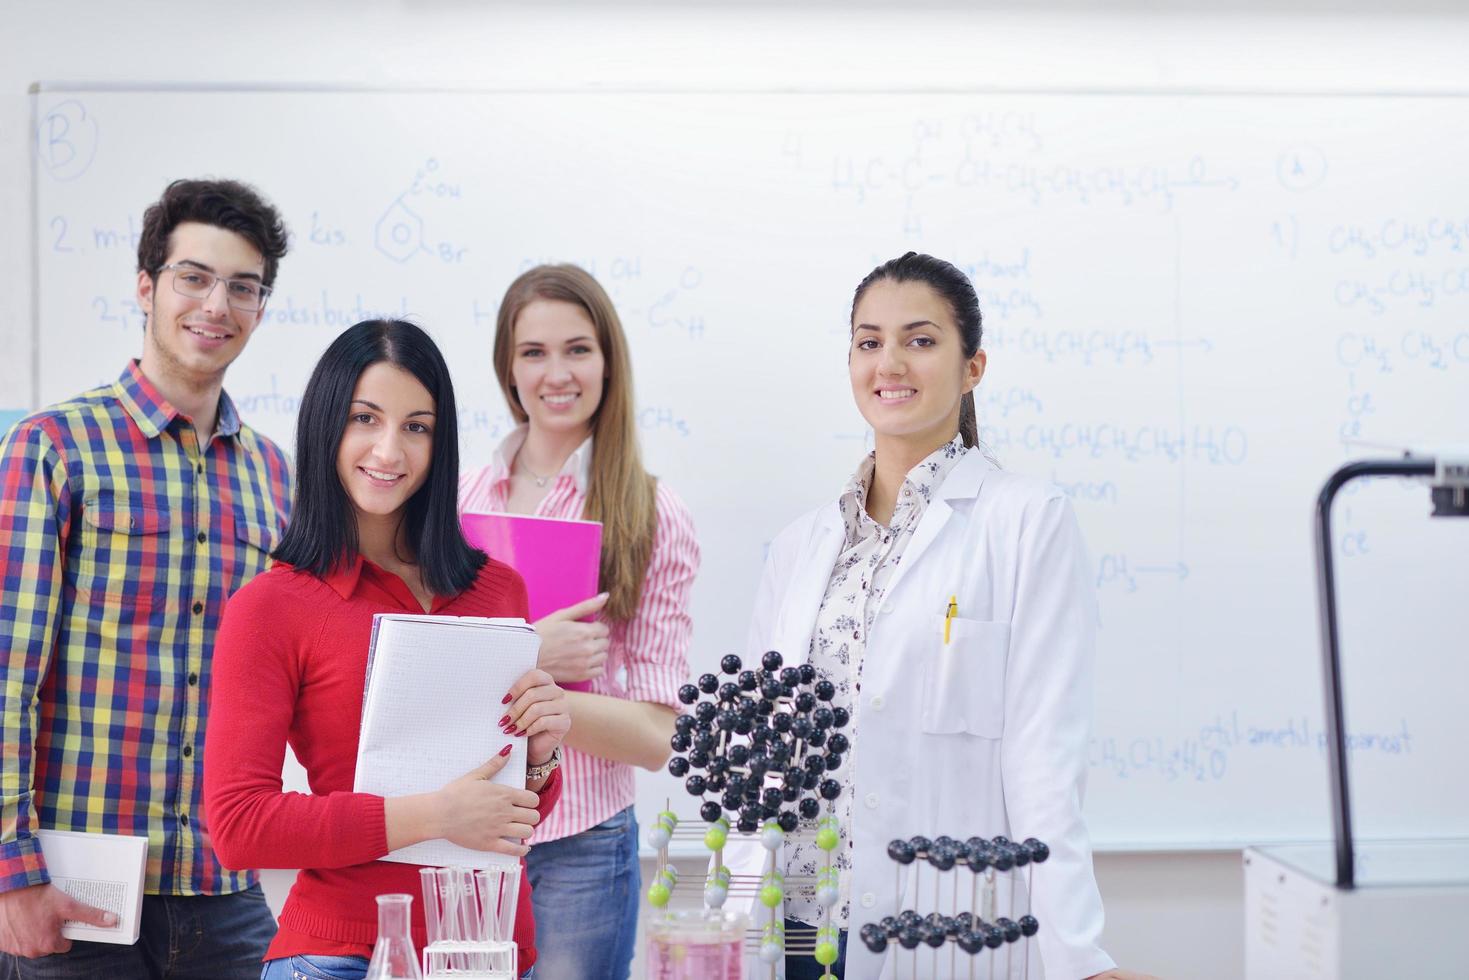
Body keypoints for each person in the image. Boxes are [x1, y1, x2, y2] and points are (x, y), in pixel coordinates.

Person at [748, 253, 1157, 980]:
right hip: (798, 931)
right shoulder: (799, 548)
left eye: (921, 339)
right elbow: (762, 762)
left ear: (972, 368)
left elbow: (1042, 760)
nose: (890, 363)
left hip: (942, 933)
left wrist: (1077, 957)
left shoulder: (1026, 522)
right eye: (868, 342)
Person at [203, 319, 568, 979]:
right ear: (325, 428)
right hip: (343, 955)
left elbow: (513, 815)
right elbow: (239, 827)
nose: (389, 450)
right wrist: (433, 814)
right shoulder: (271, 607)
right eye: (364, 419)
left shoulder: (498, 591)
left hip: (491, 952)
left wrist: (541, 755)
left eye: (416, 426)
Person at [0, 179, 292, 977]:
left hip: (226, 889)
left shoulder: (275, 477)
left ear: (261, 308)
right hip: (74, 891)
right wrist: (9, 874)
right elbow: (5, 675)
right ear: (146, 286)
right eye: (193, 277)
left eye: (243, 287)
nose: (216, 304)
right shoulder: (55, 447)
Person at [459, 265, 699, 979]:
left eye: (577, 349)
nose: (555, 373)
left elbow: (657, 737)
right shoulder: (456, 500)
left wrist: (530, 686)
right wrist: (530, 651)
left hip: (583, 846)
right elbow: (418, 675)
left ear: (607, 361)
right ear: (507, 366)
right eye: (533, 352)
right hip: (466, 830)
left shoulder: (652, 514)